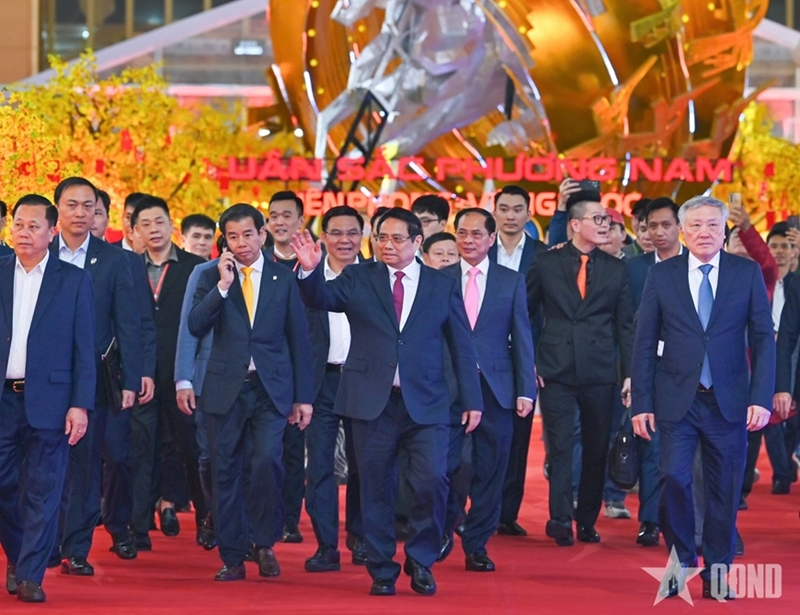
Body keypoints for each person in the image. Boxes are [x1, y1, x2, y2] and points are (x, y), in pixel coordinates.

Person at [291, 208, 483, 596]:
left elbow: (461, 344)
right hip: (371, 401)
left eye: (397, 238)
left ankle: (421, 558)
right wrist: (310, 271)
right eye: (381, 238)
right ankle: (381, 567)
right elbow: (321, 298)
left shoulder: (441, 284)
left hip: (427, 401)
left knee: (432, 480)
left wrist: (472, 399)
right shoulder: (359, 277)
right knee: (375, 486)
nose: (388, 245)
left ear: (417, 242)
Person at [632, 195, 774, 600]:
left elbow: (763, 338)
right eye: (695, 225)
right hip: (677, 399)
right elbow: (644, 342)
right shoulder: (662, 275)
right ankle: (681, 561)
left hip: (729, 401)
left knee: (724, 489)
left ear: (724, 230)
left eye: (713, 225)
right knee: (673, 479)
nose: (704, 232)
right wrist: (641, 403)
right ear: (682, 230)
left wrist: (761, 397)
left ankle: (717, 571)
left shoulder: (745, 273)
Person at [189, 203, 314, 581]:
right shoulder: (212, 276)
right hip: (224, 388)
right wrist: (223, 287)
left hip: (269, 390)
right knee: (224, 470)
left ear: (262, 234)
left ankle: (265, 542)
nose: (241, 242)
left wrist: (303, 397)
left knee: (267, 462)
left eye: (248, 234)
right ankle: (232, 554)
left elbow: (299, 339)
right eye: (232, 236)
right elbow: (195, 324)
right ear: (224, 241)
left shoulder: (283, 278)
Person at [0, 194, 96, 603]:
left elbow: (84, 348)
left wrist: (80, 404)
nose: (23, 232)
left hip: (52, 400)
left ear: (52, 231)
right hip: (3, 400)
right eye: (18, 224)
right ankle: (18, 553)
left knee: (44, 489)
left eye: (33, 226)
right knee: (5, 485)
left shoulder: (72, 280)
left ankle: (31, 574)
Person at [527, 187, 634, 546]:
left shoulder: (617, 269)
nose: (605, 224)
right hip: (554, 368)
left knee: (595, 447)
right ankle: (559, 518)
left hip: (600, 370)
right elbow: (525, 314)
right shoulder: (547, 262)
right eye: (598, 218)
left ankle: (586, 519)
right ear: (575, 224)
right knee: (560, 446)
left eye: (608, 220)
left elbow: (626, 326)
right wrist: (531, 360)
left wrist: (628, 373)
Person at [52, 177, 143, 574]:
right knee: (43, 464)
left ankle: (76, 548)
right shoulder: (39, 254)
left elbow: (129, 323)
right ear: (57, 209)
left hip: (94, 377)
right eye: (71, 204)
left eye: (87, 206)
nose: (80, 212)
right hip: (43, 377)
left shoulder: (114, 260)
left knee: (88, 466)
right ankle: (46, 540)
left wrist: (131, 380)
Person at [443, 208, 536, 571]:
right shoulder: (438, 279)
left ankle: (477, 543)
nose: (468, 240)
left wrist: (525, 389)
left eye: (476, 234)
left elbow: (522, 336)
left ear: (491, 238)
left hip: (496, 387)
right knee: (448, 466)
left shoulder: (510, 281)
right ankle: (445, 527)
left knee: (492, 469)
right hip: (449, 386)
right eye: (462, 233)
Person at [132, 196, 207, 541]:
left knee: (193, 449)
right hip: (141, 376)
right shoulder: (129, 267)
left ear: (171, 225)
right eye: (145, 224)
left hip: (183, 376)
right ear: (135, 231)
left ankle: (207, 519)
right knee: (142, 451)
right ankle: (138, 528)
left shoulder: (196, 268)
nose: (154, 229)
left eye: (159, 222)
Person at [303, 205, 367, 572]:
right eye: (337, 233)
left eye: (352, 232)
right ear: (324, 236)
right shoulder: (306, 277)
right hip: (320, 382)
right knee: (320, 466)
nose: (345, 240)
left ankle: (360, 537)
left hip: (365, 382)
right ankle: (326, 545)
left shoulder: (376, 276)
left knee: (365, 465)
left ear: (363, 236)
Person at [488, 184, 551, 537]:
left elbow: (548, 313)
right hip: (485, 355)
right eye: (504, 209)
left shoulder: (544, 255)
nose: (510, 216)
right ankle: (478, 508)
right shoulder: (480, 250)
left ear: (529, 213)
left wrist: (537, 358)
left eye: (517, 209)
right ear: (494, 212)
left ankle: (507, 513)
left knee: (518, 434)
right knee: (481, 432)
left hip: (525, 356)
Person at [626, 197, 683, 547]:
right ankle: (650, 520)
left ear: (679, 227)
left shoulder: (698, 264)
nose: (658, 232)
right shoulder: (634, 269)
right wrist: (630, 374)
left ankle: (696, 523)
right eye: (651, 226)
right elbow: (625, 324)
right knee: (651, 446)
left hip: (690, 374)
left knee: (691, 455)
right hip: (648, 369)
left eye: (665, 225)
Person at [265, 191, 307, 543]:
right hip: (267, 370)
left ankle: (290, 518)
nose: (280, 222)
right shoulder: (257, 262)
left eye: (287, 215)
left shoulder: (314, 262)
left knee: (294, 449)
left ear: (300, 222)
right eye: (274, 216)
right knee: (267, 451)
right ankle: (267, 516)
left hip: (305, 366)